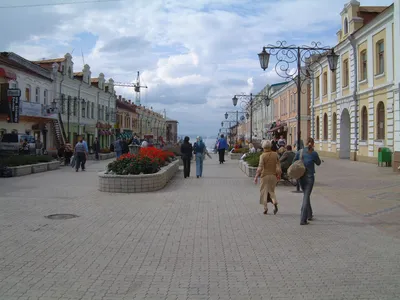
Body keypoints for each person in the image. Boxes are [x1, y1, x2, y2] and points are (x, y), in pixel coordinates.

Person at [293, 137, 321, 225]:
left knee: (306, 195)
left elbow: (294, 162)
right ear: (312, 144)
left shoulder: (300, 152)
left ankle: (309, 214)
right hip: (309, 177)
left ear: (305, 143)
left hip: (301, 177)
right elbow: (318, 163)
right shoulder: (313, 153)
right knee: (306, 196)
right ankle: (303, 219)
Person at [254, 140, 281, 215]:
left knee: (263, 192)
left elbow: (260, 167)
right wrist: (279, 175)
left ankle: (265, 208)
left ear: (263, 147)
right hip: (273, 176)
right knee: (271, 191)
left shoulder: (262, 156)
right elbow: (278, 165)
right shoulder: (275, 154)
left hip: (264, 176)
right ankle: (274, 202)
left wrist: (256, 176)